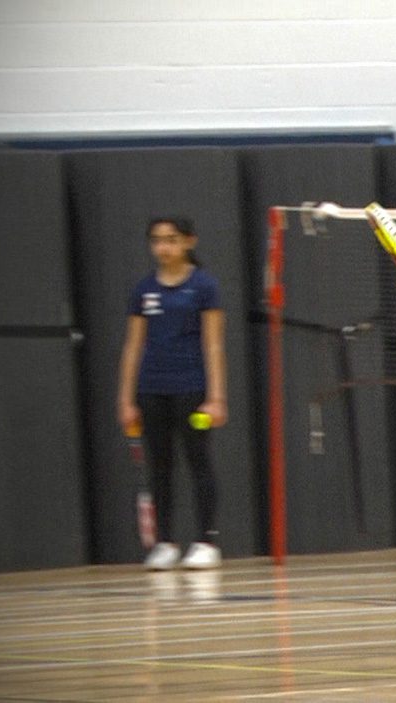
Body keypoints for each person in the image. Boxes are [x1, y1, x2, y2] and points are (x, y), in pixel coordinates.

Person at [117, 216, 228, 571]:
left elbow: (213, 345)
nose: (163, 248)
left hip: (192, 388)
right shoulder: (144, 291)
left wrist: (217, 397)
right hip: (153, 389)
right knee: (160, 465)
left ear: (188, 242)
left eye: (171, 240)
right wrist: (126, 400)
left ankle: (206, 541)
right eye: (157, 240)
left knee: (198, 461)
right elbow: (133, 347)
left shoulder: (204, 287)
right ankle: (165, 542)